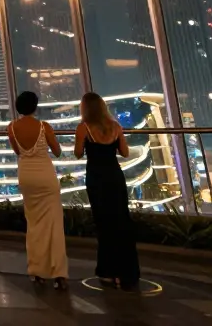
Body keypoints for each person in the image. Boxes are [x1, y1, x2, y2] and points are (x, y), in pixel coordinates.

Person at [75, 92, 139, 289]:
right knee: (121, 220)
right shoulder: (115, 127)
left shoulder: (83, 128)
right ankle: (128, 271)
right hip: (114, 176)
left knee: (104, 222)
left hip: (96, 177)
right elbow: (125, 152)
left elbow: (78, 153)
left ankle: (107, 270)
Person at [7, 91, 68, 289]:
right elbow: (57, 152)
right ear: (35, 106)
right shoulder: (44, 127)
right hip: (45, 176)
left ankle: (36, 271)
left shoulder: (12, 128)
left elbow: (18, 152)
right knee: (53, 226)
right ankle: (58, 273)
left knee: (33, 225)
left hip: (27, 176)